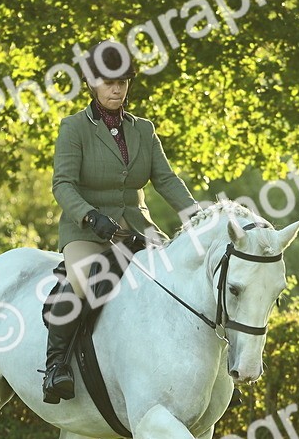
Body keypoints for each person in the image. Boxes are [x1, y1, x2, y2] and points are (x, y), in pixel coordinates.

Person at [41, 39, 201, 403]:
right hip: (88, 230)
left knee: (185, 277)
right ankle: (55, 367)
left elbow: (166, 179)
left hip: (138, 227)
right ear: (92, 83)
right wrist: (89, 215)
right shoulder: (74, 128)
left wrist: (196, 215)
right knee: (82, 281)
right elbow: (62, 184)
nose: (116, 89)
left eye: (123, 82)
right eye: (108, 82)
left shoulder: (143, 129)